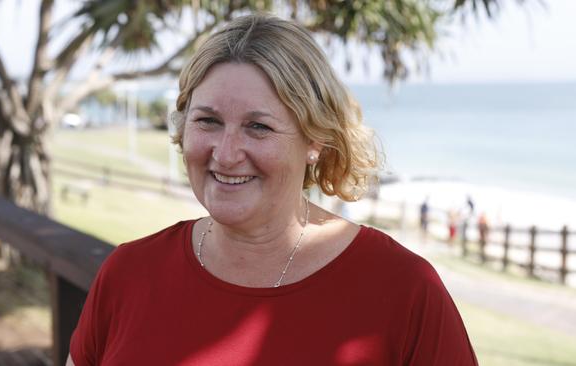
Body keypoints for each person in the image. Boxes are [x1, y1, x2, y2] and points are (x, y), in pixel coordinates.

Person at [67, 14, 478, 366]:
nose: (226, 154)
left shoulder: (403, 290)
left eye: (258, 127)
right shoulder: (128, 273)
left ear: (315, 140)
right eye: (208, 121)